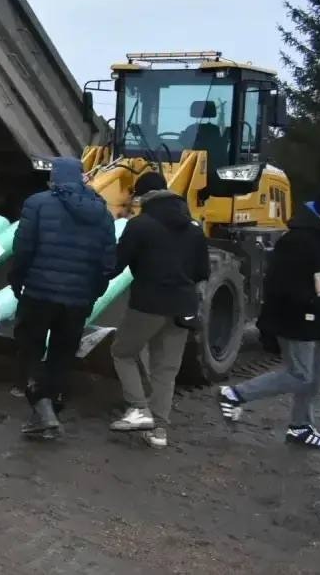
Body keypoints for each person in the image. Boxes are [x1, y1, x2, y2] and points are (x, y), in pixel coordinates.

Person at [9, 156, 116, 439]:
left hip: (38, 293)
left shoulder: (38, 204)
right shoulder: (103, 213)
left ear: (54, 179)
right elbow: (107, 262)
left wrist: (16, 281)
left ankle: (43, 410)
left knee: (29, 347)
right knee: (63, 353)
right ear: (82, 178)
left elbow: (23, 249)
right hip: (78, 299)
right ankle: (52, 409)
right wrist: (95, 291)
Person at [219, 186, 320, 448]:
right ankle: (235, 394)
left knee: (316, 375)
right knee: (300, 374)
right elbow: (281, 285)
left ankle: (301, 427)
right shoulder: (297, 241)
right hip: (295, 318)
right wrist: (312, 300)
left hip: (314, 316)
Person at [107, 172, 210, 448]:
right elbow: (202, 271)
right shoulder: (194, 227)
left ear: (143, 197)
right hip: (183, 307)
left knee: (122, 352)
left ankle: (138, 408)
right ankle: (159, 431)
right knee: (166, 369)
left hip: (148, 304)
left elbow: (115, 266)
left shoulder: (140, 225)